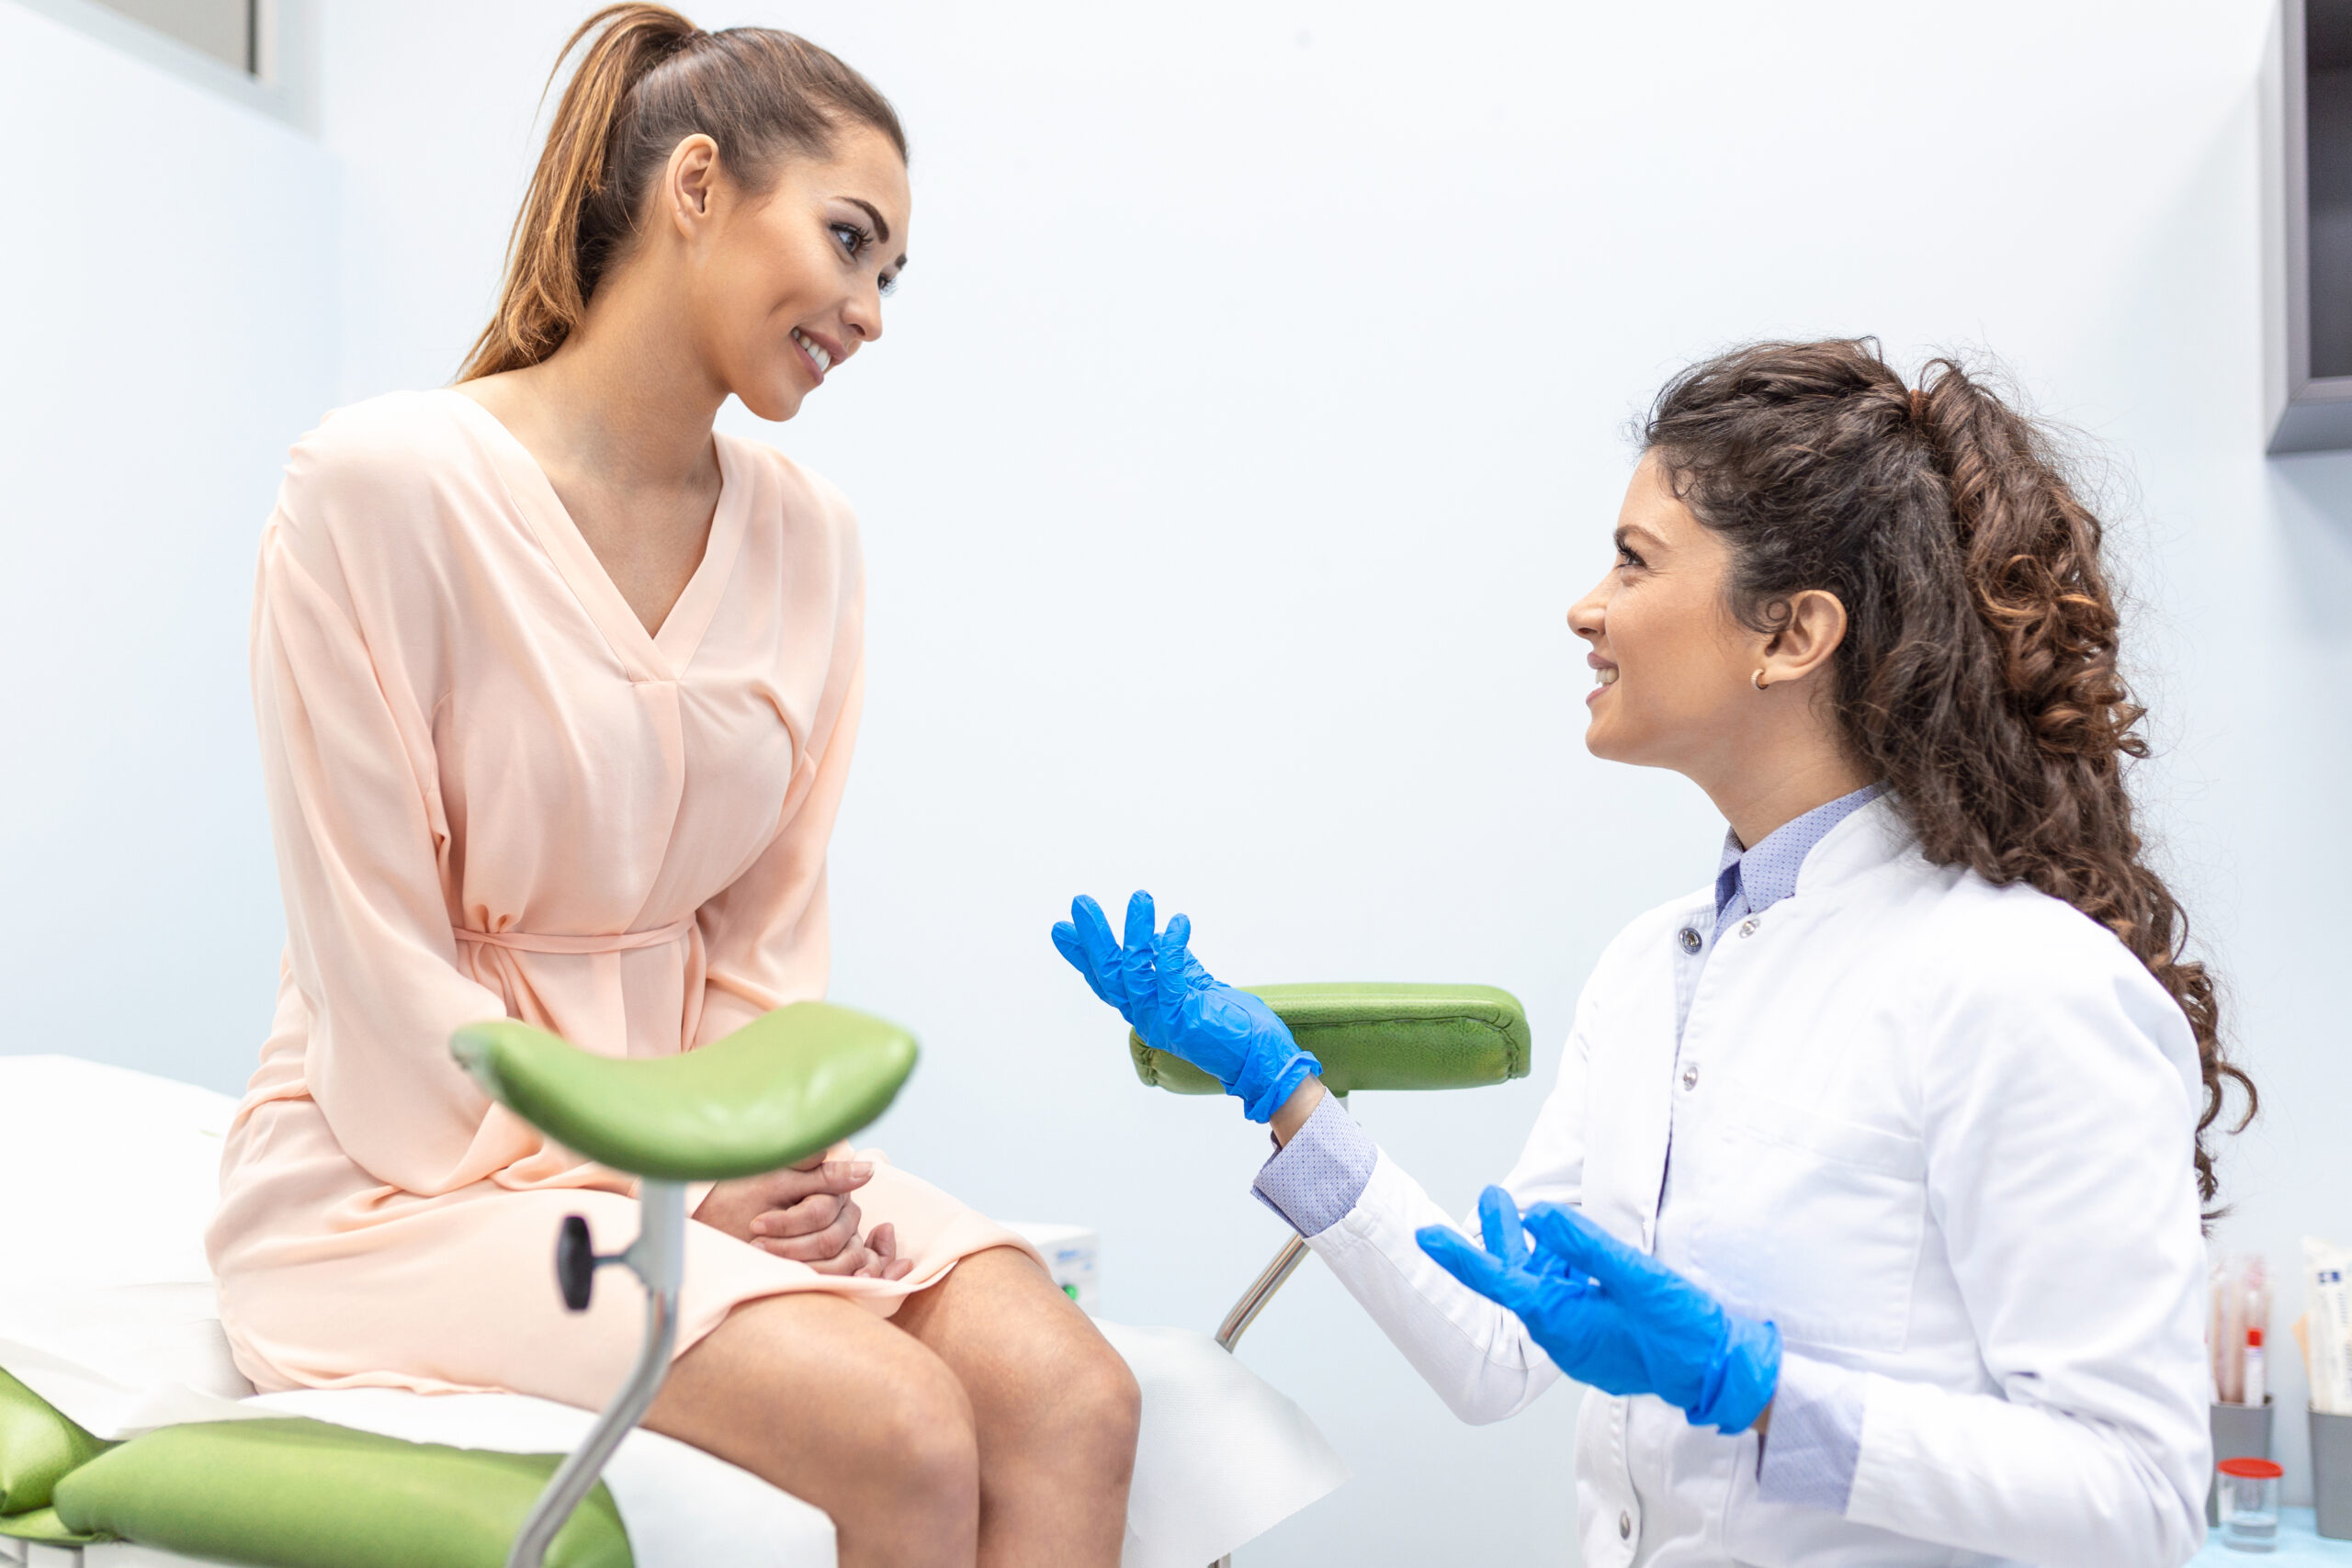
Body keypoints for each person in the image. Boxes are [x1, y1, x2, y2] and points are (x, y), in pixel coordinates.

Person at [1057, 339, 2251, 1566]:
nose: (1587, 608)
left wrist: (1770, 1398)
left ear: (1790, 634)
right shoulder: (1654, 970)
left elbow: (2140, 1499)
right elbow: (1498, 1350)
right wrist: (1284, 1091)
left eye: (1633, 563)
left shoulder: (2023, 987)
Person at [205, 8, 1138, 1565]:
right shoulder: (375, 490)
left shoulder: (810, 536)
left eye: (892, 273)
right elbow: (376, 973)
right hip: (407, 1172)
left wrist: (753, 1149)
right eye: (851, 242)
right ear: (696, 185)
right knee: (896, 1421)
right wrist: (672, 1176)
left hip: (706, 1149)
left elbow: (768, 934)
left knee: (1073, 1398)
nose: (872, 312)